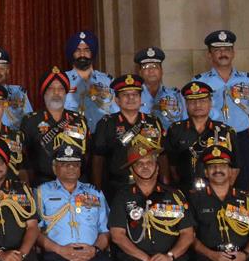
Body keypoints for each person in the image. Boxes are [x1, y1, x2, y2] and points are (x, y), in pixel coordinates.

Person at [194, 29, 249, 189]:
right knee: (211, 187)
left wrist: (238, 134)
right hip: (211, 139)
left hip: (241, 139)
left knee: (242, 186)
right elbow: (192, 115)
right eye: (217, 50)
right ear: (209, 55)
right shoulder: (199, 82)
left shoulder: (248, 80)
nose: (222, 53)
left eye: (226, 49)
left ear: (233, 53)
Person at [91, 73, 165, 203]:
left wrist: (165, 181)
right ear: (117, 100)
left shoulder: (153, 122)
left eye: (135, 95)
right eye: (125, 95)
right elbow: (98, 158)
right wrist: (97, 187)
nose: (131, 98)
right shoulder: (107, 123)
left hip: (150, 185)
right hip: (117, 186)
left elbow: (163, 154)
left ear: (141, 99)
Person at [165, 79, 238, 193]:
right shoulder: (175, 130)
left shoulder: (225, 131)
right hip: (185, 190)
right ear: (186, 105)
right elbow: (171, 165)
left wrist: (225, 189)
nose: (198, 105)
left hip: (217, 191)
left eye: (203, 101)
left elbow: (235, 166)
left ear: (210, 103)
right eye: (192, 102)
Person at [22, 68, 89, 186]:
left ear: (66, 93)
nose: (56, 93)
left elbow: (87, 154)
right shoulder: (31, 121)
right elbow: (23, 159)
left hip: (76, 185)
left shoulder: (78, 120)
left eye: (61, 89)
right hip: (43, 183)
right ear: (44, 92)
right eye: (51, 89)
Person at [63, 30, 116, 132]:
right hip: (73, 138)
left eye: (87, 50)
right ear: (72, 54)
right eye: (77, 50)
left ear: (92, 53)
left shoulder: (108, 81)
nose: (82, 54)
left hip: (103, 139)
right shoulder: (62, 81)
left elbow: (116, 113)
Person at [137, 47, 186, 129]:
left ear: (162, 71)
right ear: (140, 72)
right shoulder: (133, 97)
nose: (151, 70)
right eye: (146, 67)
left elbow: (185, 123)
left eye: (155, 66)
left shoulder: (176, 96)